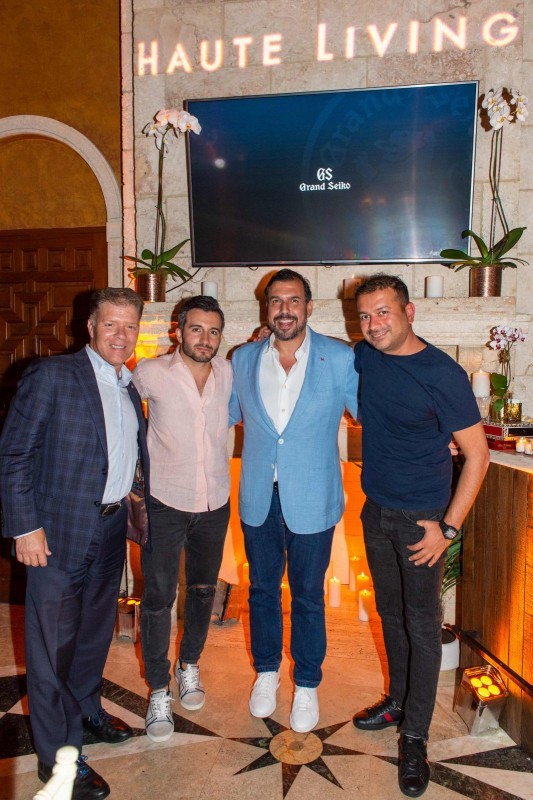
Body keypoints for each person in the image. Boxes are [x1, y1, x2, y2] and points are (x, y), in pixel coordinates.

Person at [0, 288, 150, 800]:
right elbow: (13, 455)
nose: (121, 335)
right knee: (50, 652)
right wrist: (25, 527)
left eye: (130, 326)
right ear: (90, 327)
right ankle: (58, 759)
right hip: (56, 535)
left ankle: (86, 710)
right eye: (111, 324)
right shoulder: (53, 375)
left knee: (92, 635)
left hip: (108, 531)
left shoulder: (128, 385)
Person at [351, 274, 489, 798]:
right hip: (375, 512)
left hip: (422, 521)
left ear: (409, 312)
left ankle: (415, 736)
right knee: (390, 615)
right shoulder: (367, 357)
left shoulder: (442, 373)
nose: (373, 325)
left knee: (423, 626)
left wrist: (447, 528)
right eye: (365, 316)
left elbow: (477, 456)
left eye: (383, 312)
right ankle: (398, 701)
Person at [230, 269, 358, 733]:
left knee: (308, 595)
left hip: (314, 498)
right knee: (261, 590)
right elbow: (220, 413)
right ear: (266, 309)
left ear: (308, 307)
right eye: (276, 301)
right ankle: (266, 672)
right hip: (258, 497)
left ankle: (306, 681)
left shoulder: (339, 357)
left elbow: (372, 413)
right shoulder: (242, 358)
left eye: (293, 300)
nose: (284, 309)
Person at [132, 295, 232, 742]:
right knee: (158, 597)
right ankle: (158, 688)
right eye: (196, 329)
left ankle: (189, 664)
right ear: (178, 331)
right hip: (164, 502)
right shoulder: (150, 372)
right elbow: (118, 409)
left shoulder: (228, 372)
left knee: (203, 590)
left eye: (213, 331)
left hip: (214, 504)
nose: (205, 338)